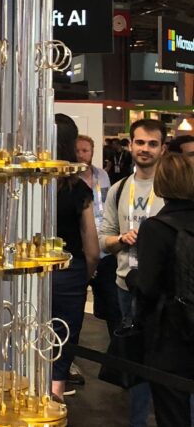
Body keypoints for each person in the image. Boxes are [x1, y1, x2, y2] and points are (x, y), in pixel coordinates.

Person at [99, 118, 168, 427]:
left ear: (163, 148)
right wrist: (121, 239)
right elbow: (104, 238)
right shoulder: (118, 189)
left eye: (153, 143)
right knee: (135, 360)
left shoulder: (173, 188)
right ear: (129, 145)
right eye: (140, 142)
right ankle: (138, 421)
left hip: (165, 289)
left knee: (171, 362)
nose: (145, 149)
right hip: (127, 285)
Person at [129, 152, 194, 427]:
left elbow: (148, 287)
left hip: (170, 334)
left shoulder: (155, 228)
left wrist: (132, 277)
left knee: (172, 414)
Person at [51, 115, 99, 401]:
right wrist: (85, 274)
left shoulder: (23, 184)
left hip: (27, 270)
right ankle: (55, 399)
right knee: (63, 339)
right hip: (69, 271)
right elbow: (91, 245)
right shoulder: (79, 189)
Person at [80, 134, 122, 336]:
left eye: (85, 150)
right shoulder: (69, 180)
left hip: (105, 248)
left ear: (92, 152)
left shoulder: (102, 175)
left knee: (112, 306)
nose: (81, 154)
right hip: (81, 248)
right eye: (77, 150)